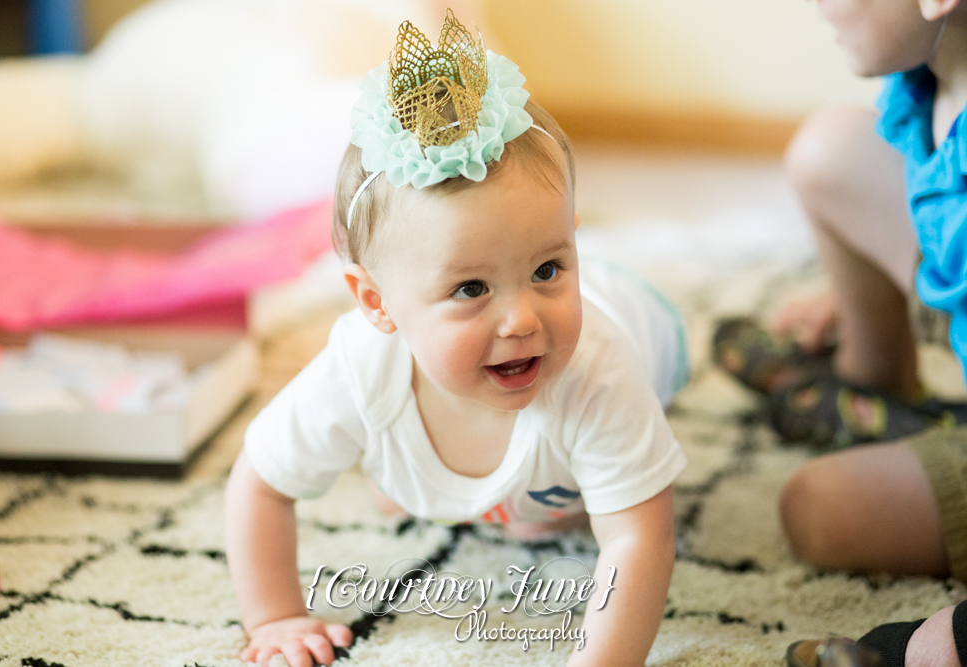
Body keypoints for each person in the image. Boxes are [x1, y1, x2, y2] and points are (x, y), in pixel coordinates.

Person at [223, 11, 689, 667]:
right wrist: (273, 617)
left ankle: (543, 474)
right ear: (376, 303)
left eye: (548, 268)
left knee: (584, 498)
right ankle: (476, 478)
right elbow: (261, 481)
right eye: (471, 289)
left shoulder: (599, 367)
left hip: (645, 321)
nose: (522, 319)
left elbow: (640, 538)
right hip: (440, 387)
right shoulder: (361, 366)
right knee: (430, 477)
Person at [711, 0, 967, 665]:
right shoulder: (932, 69)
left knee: (824, 511)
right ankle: (869, 383)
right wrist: (839, 292)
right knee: (829, 146)